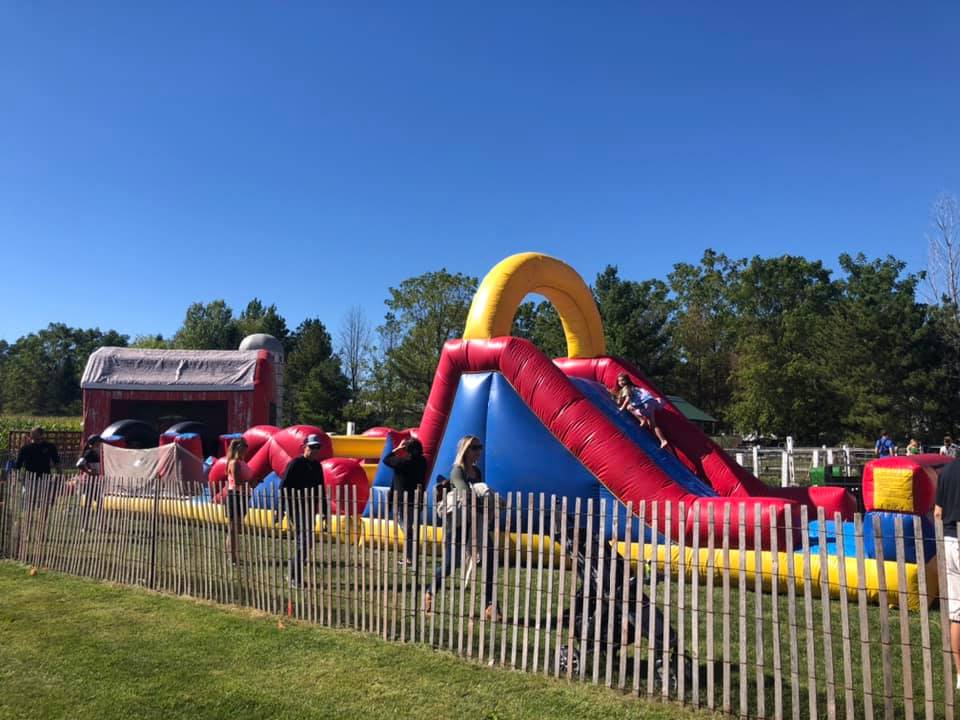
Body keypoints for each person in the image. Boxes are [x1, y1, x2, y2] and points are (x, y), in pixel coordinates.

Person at [424, 435, 498, 621]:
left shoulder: (477, 472)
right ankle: (430, 591)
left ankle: (490, 605)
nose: (478, 451)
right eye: (474, 447)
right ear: (465, 451)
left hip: (476, 521)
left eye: (479, 447)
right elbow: (466, 494)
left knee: (489, 559)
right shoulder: (457, 471)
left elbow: (477, 494)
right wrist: (485, 496)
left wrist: (484, 498)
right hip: (457, 525)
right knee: (451, 564)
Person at [281, 434, 328, 588]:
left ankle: (294, 574)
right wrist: (281, 510)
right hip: (296, 507)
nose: (315, 450)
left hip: (310, 508)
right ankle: (294, 577)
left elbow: (321, 490)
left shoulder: (317, 466)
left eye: (317, 447)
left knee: (307, 543)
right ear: (304, 447)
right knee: (304, 541)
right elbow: (283, 486)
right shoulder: (295, 463)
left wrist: (325, 513)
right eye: (312, 447)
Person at [935, 454, 960, 690]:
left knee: (957, 612)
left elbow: (937, 513)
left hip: (950, 539)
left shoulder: (946, 472)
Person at [384, 437, 426, 565]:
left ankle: (409, 557)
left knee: (406, 528)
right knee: (409, 527)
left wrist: (397, 449)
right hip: (416, 498)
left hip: (402, 499)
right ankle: (411, 554)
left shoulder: (403, 462)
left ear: (407, 450)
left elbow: (386, 460)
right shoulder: (423, 461)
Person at [616, 373, 670, 449]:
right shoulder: (635, 387)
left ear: (627, 381)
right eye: (619, 381)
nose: (620, 382)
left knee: (629, 407)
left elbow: (627, 399)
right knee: (652, 424)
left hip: (646, 403)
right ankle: (663, 440)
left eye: (622, 380)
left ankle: (642, 420)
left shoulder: (627, 388)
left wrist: (622, 408)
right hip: (651, 401)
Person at [14, 426, 62, 506]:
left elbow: (56, 461)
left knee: (45, 500)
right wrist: (16, 476)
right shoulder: (25, 448)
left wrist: (60, 474)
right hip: (29, 478)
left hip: (45, 477)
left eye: (35, 434)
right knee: (28, 500)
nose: (32, 435)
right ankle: (28, 516)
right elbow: (18, 464)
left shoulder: (49, 446)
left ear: (41, 435)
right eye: (32, 434)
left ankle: (42, 516)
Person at [223, 438, 252, 566]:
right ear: (238, 447)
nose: (247, 448)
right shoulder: (234, 463)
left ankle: (232, 556)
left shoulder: (242, 462)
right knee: (233, 528)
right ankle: (232, 557)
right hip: (236, 495)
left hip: (243, 495)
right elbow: (237, 480)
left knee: (236, 527)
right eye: (245, 445)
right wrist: (251, 483)